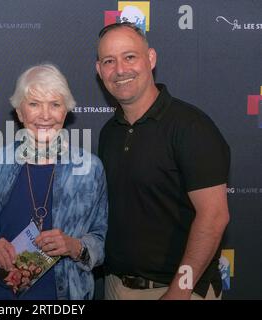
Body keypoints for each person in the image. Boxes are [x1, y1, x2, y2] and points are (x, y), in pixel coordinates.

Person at [96, 22, 230, 300]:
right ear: (99, 71)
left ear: (151, 59)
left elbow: (214, 217)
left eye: (129, 56)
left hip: (178, 291)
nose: (120, 69)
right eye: (109, 61)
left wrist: (179, 291)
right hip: (115, 287)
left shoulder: (191, 127)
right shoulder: (109, 132)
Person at [0, 63, 108, 300]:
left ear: (65, 112)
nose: (45, 115)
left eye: (55, 105)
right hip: (0, 295)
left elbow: (101, 241)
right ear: (19, 112)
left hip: (65, 295)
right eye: (34, 104)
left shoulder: (90, 169)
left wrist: (74, 246)